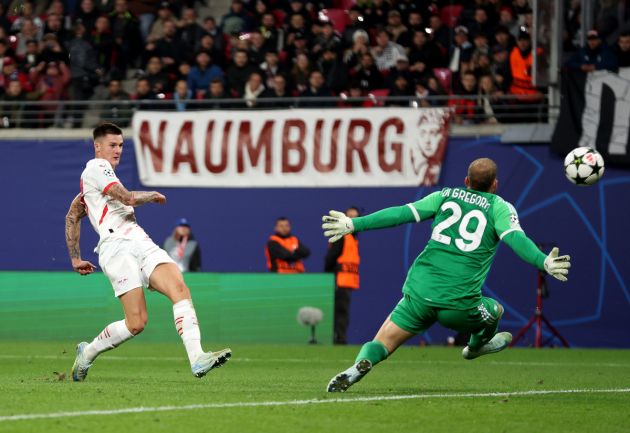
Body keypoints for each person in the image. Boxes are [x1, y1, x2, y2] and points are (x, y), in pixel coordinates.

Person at [321, 158, 571, 392]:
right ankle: (474, 347)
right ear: (495, 185)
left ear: (466, 180)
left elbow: (400, 214)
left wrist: (355, 224)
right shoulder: (499, 207)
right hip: (459, 305)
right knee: (495, 311)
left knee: (384, 341)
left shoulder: (444, 196)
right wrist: (543, 261)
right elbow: (516, 239)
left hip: (419, 294)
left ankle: (360, 364)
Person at [64, 123, 231, 382]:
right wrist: (150, 195)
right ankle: (87, 353)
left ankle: (197, 357)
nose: (118, 150)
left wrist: (75, 257)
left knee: (179, 287)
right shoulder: (95, 167)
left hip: (140, 240)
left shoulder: (94, 184)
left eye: (121, 145)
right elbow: (127, 198)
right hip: (116, 247)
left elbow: (73, 214)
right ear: (97, 147)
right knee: (136, 322)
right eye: (112, 145)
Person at [325, 207, 361, 345]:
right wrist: (329, 278)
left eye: (355, 217)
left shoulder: (352, 239)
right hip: (339, 279)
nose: (352, 220)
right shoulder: (342, 236)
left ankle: (340, 337)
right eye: (349, 216)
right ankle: (339, 339)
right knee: (340, 311)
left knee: (342, 311)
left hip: (347, 281)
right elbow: (330, 257)